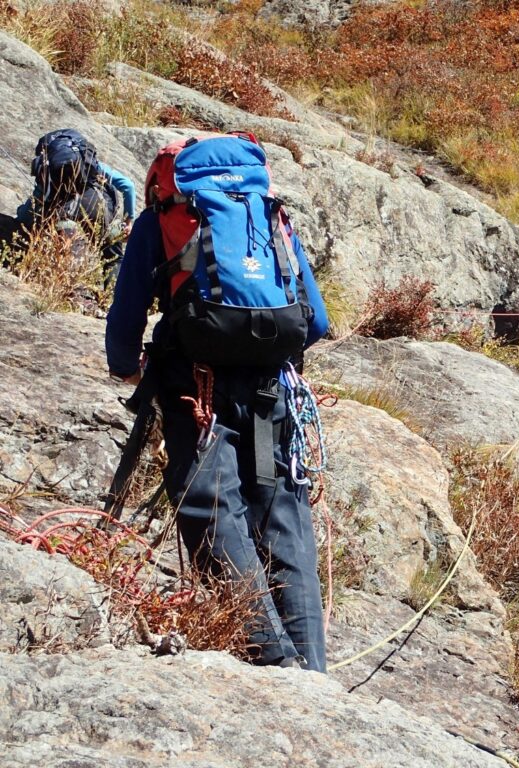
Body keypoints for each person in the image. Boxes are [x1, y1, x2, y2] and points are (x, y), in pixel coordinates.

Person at [105, 134, 329, 672]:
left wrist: (132, 366)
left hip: (195, 383)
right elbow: (315, 321)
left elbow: (123, 335)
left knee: (210, 505)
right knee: (285, 517)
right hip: (271, 384)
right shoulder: (267, 214)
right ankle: (312, 673)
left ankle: (275, 662)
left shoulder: (163, 218)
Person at [16, 128, 136, 285]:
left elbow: (27, 215)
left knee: (70, 254)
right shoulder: (90, 165)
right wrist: (128, 221)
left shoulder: (49, 172)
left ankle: (73, 294)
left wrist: (21, 213)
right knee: (112, 256)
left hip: (64, 219)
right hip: (97, 209)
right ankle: (110, 299)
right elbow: (128, 186)